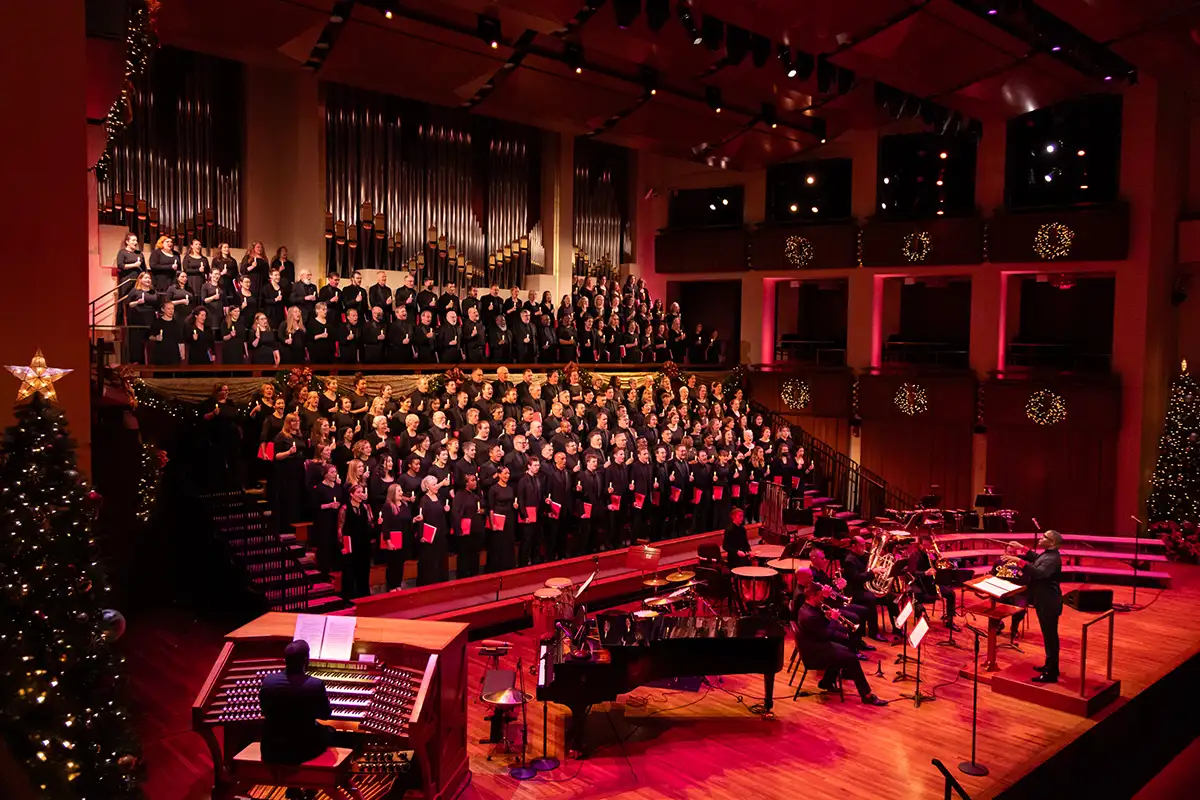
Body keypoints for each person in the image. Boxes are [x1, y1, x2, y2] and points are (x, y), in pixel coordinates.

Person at [795, 583, 888, 706]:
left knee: (845, 647)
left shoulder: (807, 608)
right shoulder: (809, 616)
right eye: (820, 596)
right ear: (812, 597)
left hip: (817, 644)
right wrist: (832, 619)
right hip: (815, 652)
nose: (822, 599)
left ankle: (827, 681)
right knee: (852, 658)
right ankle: (867, 695)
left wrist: (830, 619)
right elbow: (825, 634)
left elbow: (821, 630)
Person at [259, 640, 332, 764]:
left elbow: (264, 710)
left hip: (271, 749)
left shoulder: (268, 681)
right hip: (302, 751)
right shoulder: (315, 684)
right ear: (305, 660)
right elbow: (325, 715)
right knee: (331, 733)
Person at [1016, 530, 1063, 683]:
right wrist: (1022, 548)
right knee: (1049, 637)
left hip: (1048, 602)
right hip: (1044, 600)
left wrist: (1019, 562)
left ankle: (1051, 674)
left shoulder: (1053, 558)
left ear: (1053, 543)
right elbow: (1037, 559)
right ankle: (1051, 666)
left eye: (1044, 537)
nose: (1040, 538)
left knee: (1050, 637)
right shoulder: (1048, 554)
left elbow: (1039, 572)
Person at [908, 532, 956, 630]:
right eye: (924, 545)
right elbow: (912, 572)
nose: (926, 547)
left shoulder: (932, 554)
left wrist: (936, 560)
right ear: (920, 544)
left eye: (928, 545)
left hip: (932, 584)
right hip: (919, 583)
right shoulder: (914, 555)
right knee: (917, 595)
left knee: (951, 593)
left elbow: (940, 568)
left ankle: (950, 620)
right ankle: (919, 619)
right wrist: (925, 573)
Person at [338, 482, 375, 599]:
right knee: (350, 571)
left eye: (362, 492)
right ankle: (349, 595)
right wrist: (342, 546)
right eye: (358, 492)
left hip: (364, 544)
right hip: (351, 545)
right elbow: (340, 530)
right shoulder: (344, 509)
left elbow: (370, 525)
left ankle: (363, 593)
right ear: (351, 494)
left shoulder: (365, 507)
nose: (361, 494)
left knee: (364, 569)